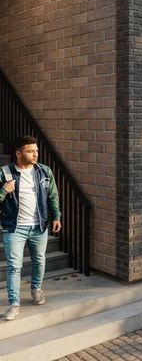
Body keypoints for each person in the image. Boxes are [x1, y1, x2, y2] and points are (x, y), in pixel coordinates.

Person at [0, 136, 61, 321]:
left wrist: (56, 216)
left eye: (36, 150)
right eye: (30, 151)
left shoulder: (44, 171)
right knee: (14, 266)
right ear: (18, 153)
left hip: (39, 226)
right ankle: (14, 304)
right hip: (14, 228)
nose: (35, 154)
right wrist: (3, 190)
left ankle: (36, 290)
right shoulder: (5, 173)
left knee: (39, 260)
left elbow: (52, 196)